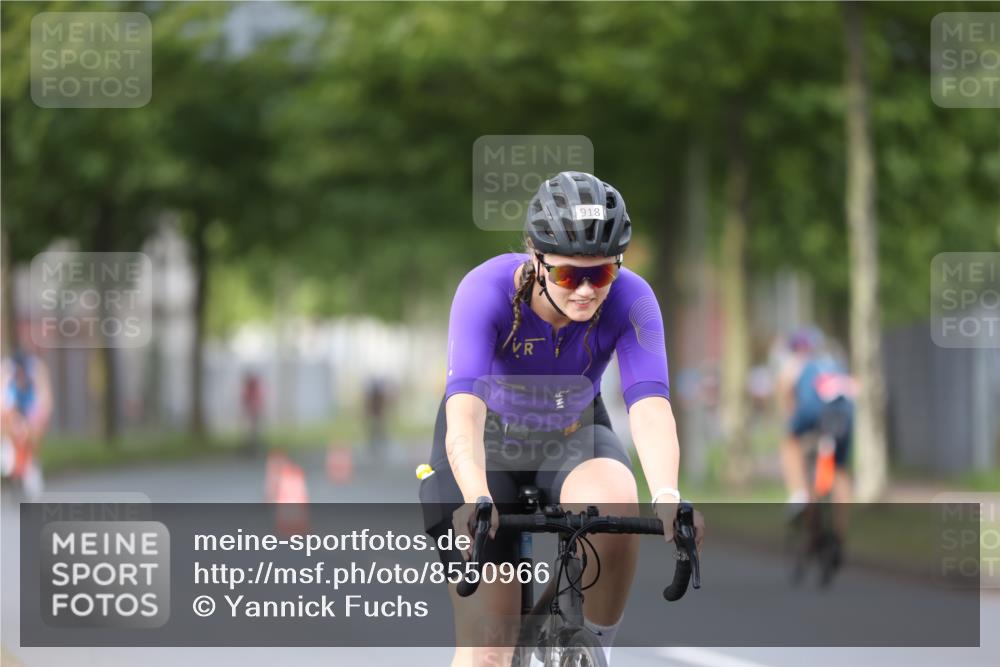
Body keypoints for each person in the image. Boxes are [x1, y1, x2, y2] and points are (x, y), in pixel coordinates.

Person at [419, 171, 704, 667]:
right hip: (486, 443)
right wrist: (475, 495)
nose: (587, 291)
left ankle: (592, 649)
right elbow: (464, 409)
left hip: (571, 429)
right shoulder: (484, 290)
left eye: (603, 273)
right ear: (536, 258)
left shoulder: (633, 299)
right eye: (570, 276)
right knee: (489, 652)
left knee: (616, 503)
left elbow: (650, 406)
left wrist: (667, 495)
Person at [777, 328, 855, 547]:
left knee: (790, 444)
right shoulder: (835, 362)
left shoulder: (794, 364)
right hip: (844, 413)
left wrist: (791, 417)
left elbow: (787, 396)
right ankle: (839, 533)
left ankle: (799, 495)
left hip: (813, 412)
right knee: (839, 470)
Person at [1, 348, 53, 499]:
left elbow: (43, 403)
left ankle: (31, 466)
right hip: (12, 413)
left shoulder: (36, 375)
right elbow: (5, 405)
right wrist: (14, 421)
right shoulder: (8, 378)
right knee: (11, 434)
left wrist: (34, 422)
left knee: (31, 438)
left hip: (31, 411)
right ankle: (10, 461)